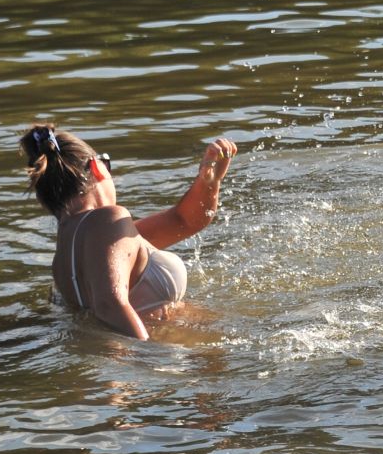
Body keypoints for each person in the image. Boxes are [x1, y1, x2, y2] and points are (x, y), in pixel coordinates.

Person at [18, 125, 238, 339]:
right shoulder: (108, 220)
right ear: (97, 167)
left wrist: (209, 182)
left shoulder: (65, 255)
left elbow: (184, 221)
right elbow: (108, 305)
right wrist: (146, 359)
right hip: (166, 362)